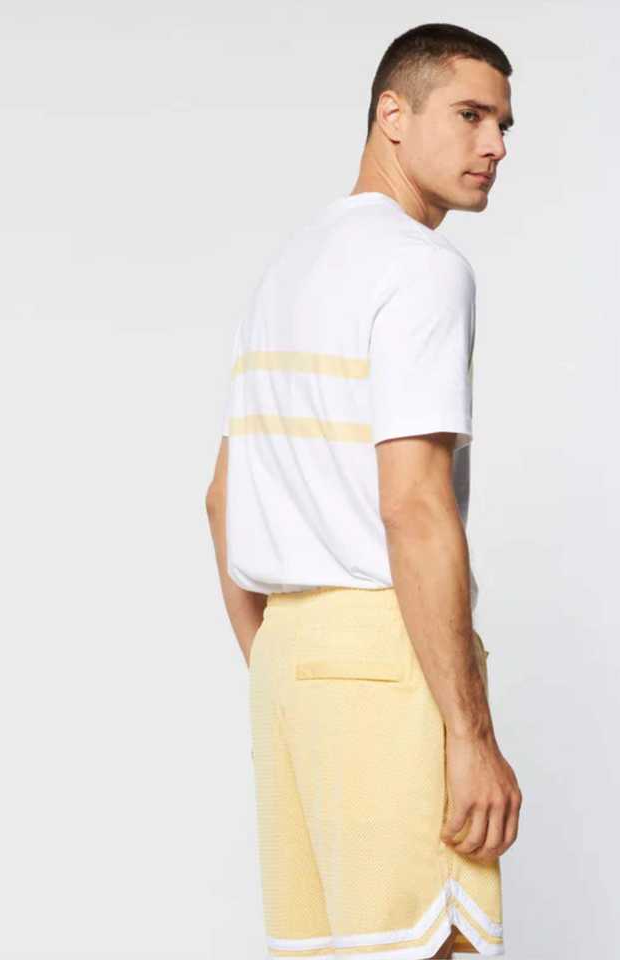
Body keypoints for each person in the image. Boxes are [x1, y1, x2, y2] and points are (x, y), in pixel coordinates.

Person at [205, 22, 522, 959]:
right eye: (470, 115)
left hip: (291, 665)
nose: (495, 145)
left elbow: (221, 499)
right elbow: (412, 504)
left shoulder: (286, 273)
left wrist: (284, 665)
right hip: (388, 651)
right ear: (393, 113)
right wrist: (469, 734)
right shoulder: (423, 268)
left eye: (504, 125)